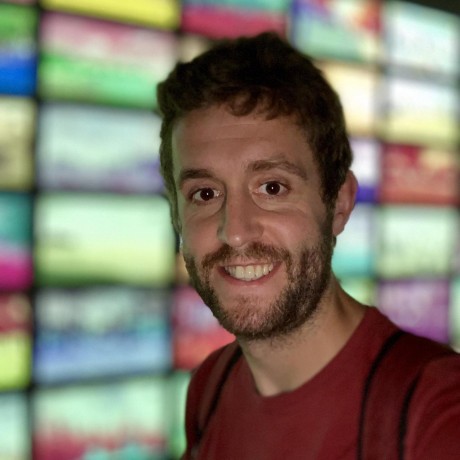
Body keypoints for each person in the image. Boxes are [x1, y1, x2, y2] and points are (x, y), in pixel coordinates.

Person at [157, 32, 460, 459]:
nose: (235, 232)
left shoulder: (436, 414)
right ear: (176, 216)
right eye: (205, 194)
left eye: (272, 187)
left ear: (339, 204)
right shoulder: (210, 387)